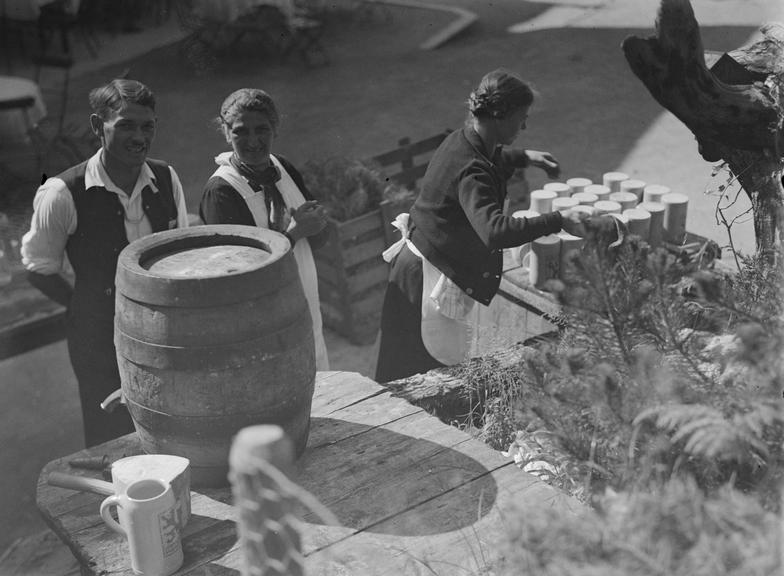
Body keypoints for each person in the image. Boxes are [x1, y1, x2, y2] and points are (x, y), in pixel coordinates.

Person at [375, 68, 587, 383]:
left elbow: (489, 158)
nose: (525, 125)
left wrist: (524, 157)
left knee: (407, 371)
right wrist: (559, 219)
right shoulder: (473, 170)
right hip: (425, 279)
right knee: (416, 381)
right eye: (521, 118)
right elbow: (495, 231)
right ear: (499, 116)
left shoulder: (461, 139)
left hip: (418, 263)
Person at [21, 79, 190, 447]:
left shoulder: (165, 177)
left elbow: (181, 252)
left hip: (163, 336)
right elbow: (37, 266)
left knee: (175, 428)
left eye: (147, 126)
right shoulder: (63, 193)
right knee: (113, 440)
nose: (139, 137)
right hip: (98, 344)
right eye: (126, 125)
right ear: (98, 126)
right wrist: (84, 306)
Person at [199, 88, 330, 371]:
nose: (253, 141)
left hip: (304, 302)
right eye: (240, 132)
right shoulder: (222, 191)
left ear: (275, 129)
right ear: (226, 132)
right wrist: (295, 233)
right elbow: (237, 275)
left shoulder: (282, 168)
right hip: (260, 322)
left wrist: (317, 225)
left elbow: (316, 241)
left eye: (262, 130)